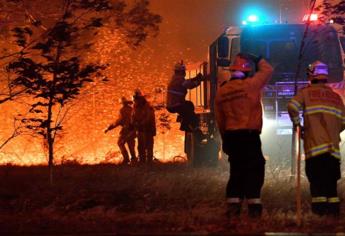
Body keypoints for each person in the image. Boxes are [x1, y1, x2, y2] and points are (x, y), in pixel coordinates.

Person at [215, 53, 273, 218]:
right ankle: (254, 208)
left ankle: (233, 208)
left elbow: (220, 119)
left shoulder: (222, 91)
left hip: (232, 136)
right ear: (247, 72)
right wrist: (257, 58)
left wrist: (225, 140)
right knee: (255, 169)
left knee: (236, 170)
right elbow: (267, 71)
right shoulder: (251, 85)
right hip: (249, 135)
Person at [287, 61, 345, 216]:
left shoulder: (306, 92)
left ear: (311, 75)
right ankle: (333, 217)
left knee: (318, 186)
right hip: (333, 150)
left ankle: (319, 217)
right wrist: (333, 131)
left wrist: (298, 124)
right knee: (331, 187)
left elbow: (292, 106)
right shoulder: (336, 97)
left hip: (315, 149)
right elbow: (343, 122)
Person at [166, 61, 204, 132]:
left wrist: (195, 78)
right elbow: (189, 85)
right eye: (183, 71)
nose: (184, 72)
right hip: (176, 105)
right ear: (180, 71)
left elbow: (187, 82)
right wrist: (198, 81)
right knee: (189, 112)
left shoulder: (175, 79)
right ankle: (187, 127)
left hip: (173, 105)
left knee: (189, 105)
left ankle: (185, 124)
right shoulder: (179, 79)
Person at [105, 96, 136, 165]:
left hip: (126, 130)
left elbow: (119, 121)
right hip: (133, 130)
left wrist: (109, 128)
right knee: (131, 145)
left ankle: (126, 159)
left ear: (122, 103)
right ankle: (134, 159)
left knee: (120, 143)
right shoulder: (132, 109)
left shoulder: (122, 110)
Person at [132, 89, 156, 164]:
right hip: (140, 130)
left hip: (148, 129)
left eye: (136, 98)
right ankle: (142, 161)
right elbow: (133, 116)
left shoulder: (147, 106)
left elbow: (148, 118)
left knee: (148, 146)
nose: (135, 100)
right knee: (140, 147)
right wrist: (133, 123)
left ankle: (149, 162)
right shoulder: (135, 106)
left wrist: (141, 123)